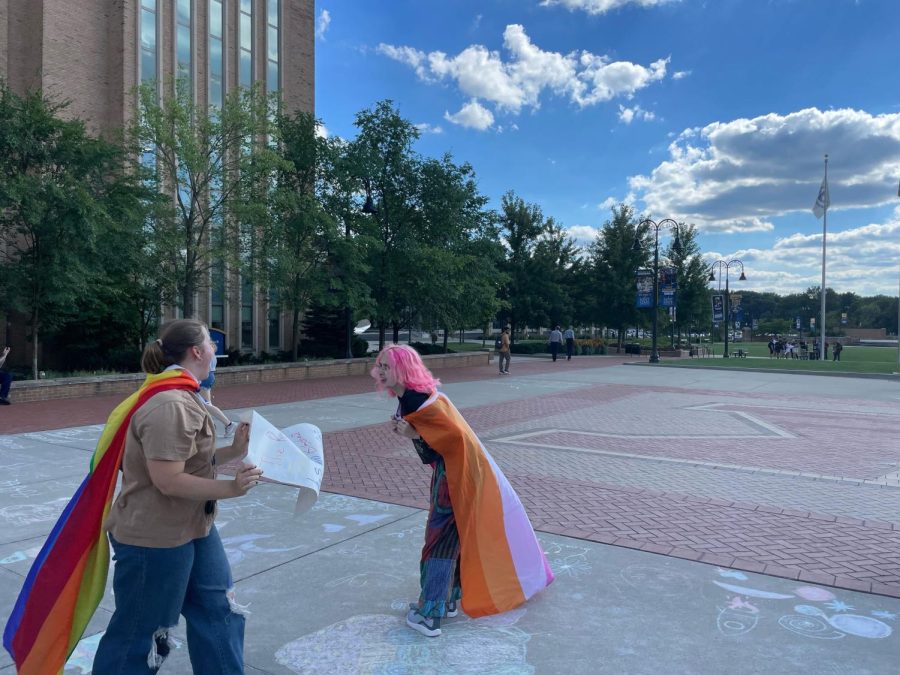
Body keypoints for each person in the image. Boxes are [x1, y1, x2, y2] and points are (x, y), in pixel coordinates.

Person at [92, 319, 263, 673]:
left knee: (219, 612)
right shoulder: (170, 403)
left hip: (194, 526)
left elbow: (191, 458)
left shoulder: (185, 394)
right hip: (154, 538)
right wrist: (231, 488)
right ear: (197, 352)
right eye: (211, 345)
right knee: (142, 634)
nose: (216, 352)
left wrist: (234, 450)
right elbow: (168, 480)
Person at [372, 345, 552, 638]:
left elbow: (453, 438)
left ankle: (430, 614)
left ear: (403, 370)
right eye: (379, 365)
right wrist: (414, 434)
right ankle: (448, 599)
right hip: (454, 474)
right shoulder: (411, 399)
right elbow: (433, 451)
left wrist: (415, 433)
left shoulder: (419, 400)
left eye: (386, 366)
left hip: (457, 478)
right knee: (450, 540)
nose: (379, 371)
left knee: (439, 542)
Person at [199, 353, 234, 437]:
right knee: (206, 404)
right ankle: (212, 427)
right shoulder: (209, 349)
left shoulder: (202, 348)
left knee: (205, 405)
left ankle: (228, 424)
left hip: (203, 377)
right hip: (209, 376)